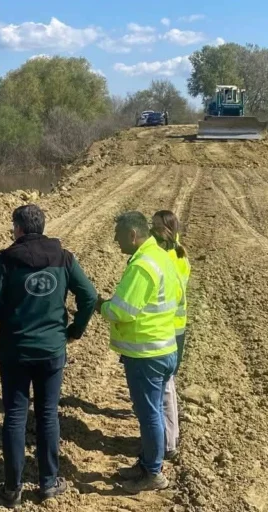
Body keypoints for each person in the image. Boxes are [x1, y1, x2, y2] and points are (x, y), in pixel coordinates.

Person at [0, 204, 98, 507]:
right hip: (52, 349)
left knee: (15, 415)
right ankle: (48, 483)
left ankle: (12, 489)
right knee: (47, 414)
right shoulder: (64, 258)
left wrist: (14, 315)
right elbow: (88, 296)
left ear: (19, 228)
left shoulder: (7, 260)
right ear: (42, 227)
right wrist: (74, 330)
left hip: (15, 349)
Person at [96, 211, 182, 494]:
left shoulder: (143, 265)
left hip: (147, 355)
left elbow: (123, 310)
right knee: (153, 411)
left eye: (118, 235)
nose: (115, 241)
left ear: (133, 236)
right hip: (163, 347)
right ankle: (147, 463)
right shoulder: (160, 257)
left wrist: (101, 306)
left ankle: (153, 473)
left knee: (150, 415)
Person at [150, 210, 190, 461]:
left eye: (154, 226)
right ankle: (169, 437)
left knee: (164, 388)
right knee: (168, 385)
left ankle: (166, 442)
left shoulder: (165, 257)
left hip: (166, 328)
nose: (150, 230)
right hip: (177, 327)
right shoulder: (181, 254)